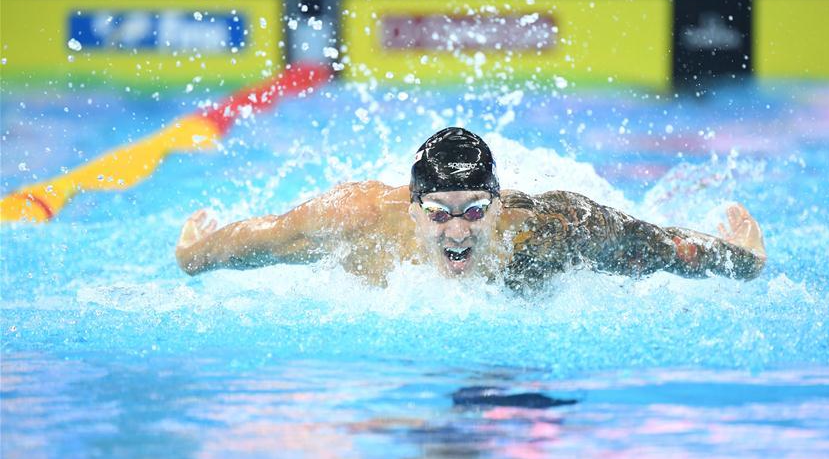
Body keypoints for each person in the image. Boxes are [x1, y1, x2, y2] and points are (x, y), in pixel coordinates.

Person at [176, 128, 766, 290]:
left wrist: (741, 262)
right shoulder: (357, 219)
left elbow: (654, 245)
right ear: (412, 209)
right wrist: (196, 255)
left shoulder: (546, 231)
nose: (457, 230)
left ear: (498, 203)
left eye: (475, 211)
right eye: (438, 212)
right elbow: (266, 238)